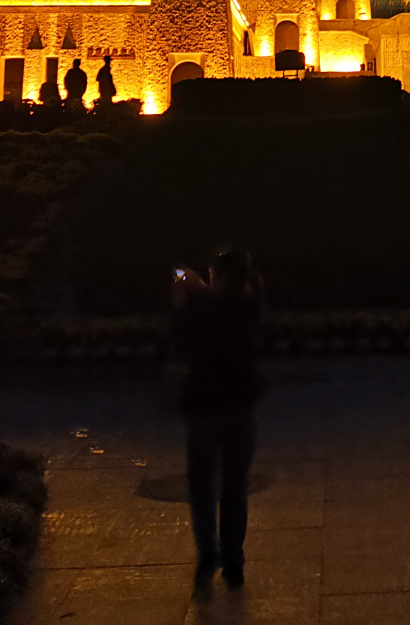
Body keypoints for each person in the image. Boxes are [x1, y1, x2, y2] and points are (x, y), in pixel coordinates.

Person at [171, 248, 265, 601]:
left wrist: (184, 296)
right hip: (240, 408)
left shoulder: (199, 308)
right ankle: (234, 561)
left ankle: (207, 556)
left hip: (204, 409)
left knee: (202, 488)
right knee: (234, 486)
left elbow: (180, 345)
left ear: (220, 276)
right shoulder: (250, 305)